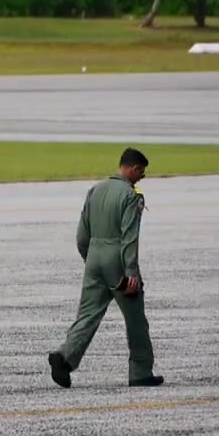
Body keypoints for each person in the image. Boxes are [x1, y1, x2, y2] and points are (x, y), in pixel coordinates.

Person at [48, 148, 162, 388]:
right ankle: (140, 371)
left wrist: (90, 260)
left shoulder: (95, 190)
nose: (141, 176)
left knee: (87, 314)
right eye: (141, 171)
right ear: (132, 169)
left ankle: (65, 357)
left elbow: (82, 234)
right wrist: (131, 272)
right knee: (136, 320)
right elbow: (129, 236)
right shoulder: (131, 196)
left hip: (94, 257)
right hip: (117, 260)